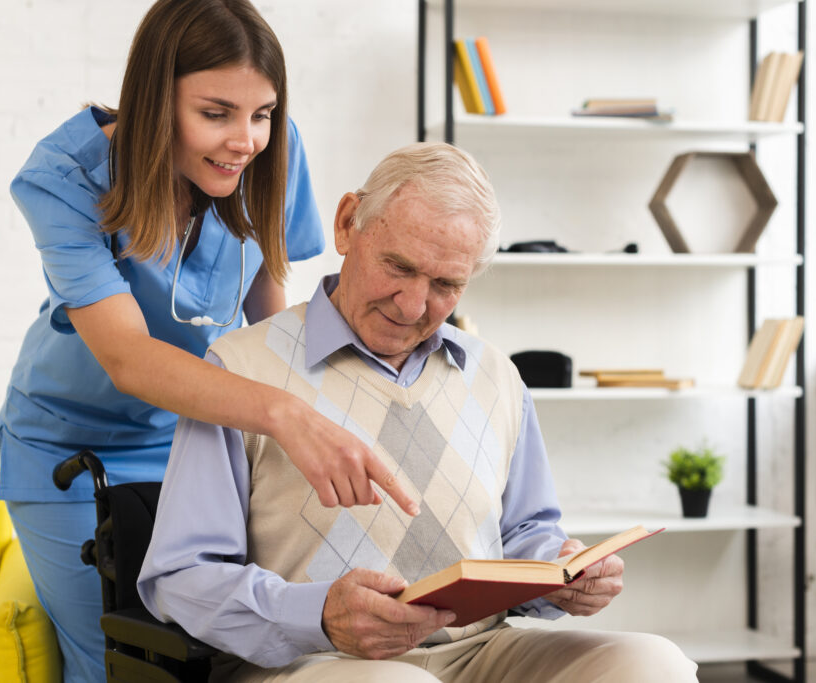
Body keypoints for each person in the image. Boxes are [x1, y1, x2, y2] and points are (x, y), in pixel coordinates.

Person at [138, 141, 699, 682]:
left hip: (483, 651)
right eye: (399, 267)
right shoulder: (239, 370)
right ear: (347, 223)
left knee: (655, 664)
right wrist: (319, 615)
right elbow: (180, 577)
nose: (412, 306)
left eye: (445, 285)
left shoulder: (497, 376)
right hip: (312, 662)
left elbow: (528, 533)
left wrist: (565, 572)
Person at [0, 1, 416, 680]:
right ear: (157, 101)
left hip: (201, 433)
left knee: (223, 645)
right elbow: (127, 357)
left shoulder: (273, 149)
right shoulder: (64, 180)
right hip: (72, 449)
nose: (245, 140)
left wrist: (324, 415)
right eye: (215, 114)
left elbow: (269, 309)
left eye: (262, 113)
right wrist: (283, 413)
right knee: (120, 660)